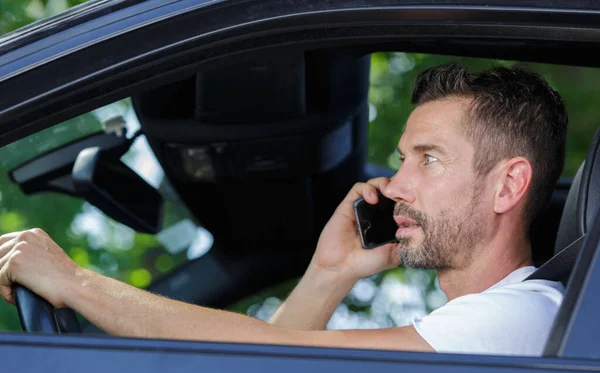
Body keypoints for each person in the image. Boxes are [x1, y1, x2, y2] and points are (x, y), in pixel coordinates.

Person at [0, 63, 567, 356]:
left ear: (508, 185)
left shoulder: (523, 315)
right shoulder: (478, 329)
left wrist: (73, 282)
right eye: (401, 160)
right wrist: (329, 271)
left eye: (429, 159)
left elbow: (279, 355)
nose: (395, 186)